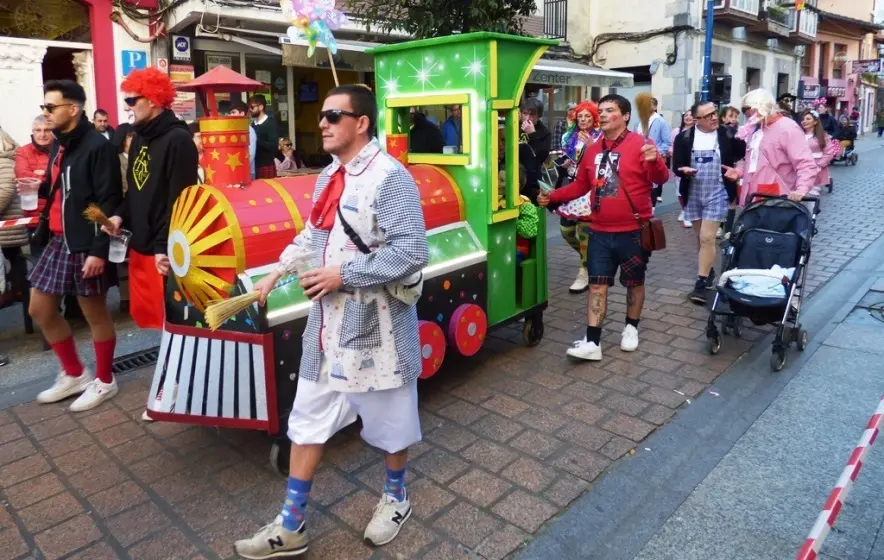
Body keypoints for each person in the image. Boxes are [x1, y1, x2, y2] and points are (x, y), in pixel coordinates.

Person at [234, 84, 428, 557]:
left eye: (333, 115)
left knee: (392, 419)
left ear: (361, 123)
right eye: (321, 115)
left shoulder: (391, 177)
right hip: (326, 328)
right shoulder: (328, 177)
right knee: (307, 420)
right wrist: (275, 273)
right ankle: (292, 523)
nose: (321, 122)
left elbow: (411, 251)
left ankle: (397, 497)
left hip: (378, 325)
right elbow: (313, 233)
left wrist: (345, 273)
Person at [538, 94, 669, 360]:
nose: (604, 114)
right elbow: (581, 186)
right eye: (602, 110)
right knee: (597, 285)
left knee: (634, 282)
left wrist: (655, 160)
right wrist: (553, 195)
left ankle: (631, 328)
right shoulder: (593, 148)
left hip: (633, 230)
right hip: (598, 230)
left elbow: (660, 178)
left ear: (625, 116)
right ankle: (593, 342)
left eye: (610, 110)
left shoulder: (642, 144)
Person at [28, 79, 122, 412]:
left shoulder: (99, 146)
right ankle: (74, 373)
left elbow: (110, 199)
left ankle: (106, 381)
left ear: (73, 109)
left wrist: (98, 250)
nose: (46, 114)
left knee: (94, 314)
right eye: (44, 107)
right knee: (39, 308)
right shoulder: (59, 143)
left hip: (85, 243)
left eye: (50, 107)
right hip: (57, 239)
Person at [106, 68, 199, 334]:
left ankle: (176, 374)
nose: (128, 108)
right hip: (140, 245)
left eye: (132, 100)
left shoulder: (179, 140)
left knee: (173, 323)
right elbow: (135, 190)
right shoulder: (138, 139)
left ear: (154, 100)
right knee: (152, 321)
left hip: (163, 248)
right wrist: (119, 215)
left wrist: (164, 246)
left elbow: (179, 200)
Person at [672, 101, 745, 305]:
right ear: (697, 120)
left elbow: (744, 155)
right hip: (694, 191)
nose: (714, 117)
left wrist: (737, 172)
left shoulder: (728, 134)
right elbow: (676, 165)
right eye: (708, 116)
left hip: (718, 190)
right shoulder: (684, 137)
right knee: (700, 238)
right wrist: (682, 170)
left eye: (715, 113)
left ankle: (701, 284)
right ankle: (709, 271)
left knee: (707, 238)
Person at [727, 89, 818, 205]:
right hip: (752, 198)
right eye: (747, 115)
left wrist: (801, 189)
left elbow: (805, 163)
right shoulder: (755, 129)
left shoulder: (788, 128)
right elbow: (753, 160)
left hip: (777, 199)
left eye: (751, 113)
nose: (750, 118)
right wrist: (738, 171)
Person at [557, 101, 600, 294]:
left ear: (594, 118)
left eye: (587, 116)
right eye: (580, 116)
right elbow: (568, 159)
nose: (583, 120)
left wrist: (593, 147)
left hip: (589, 189)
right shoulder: (569, 136)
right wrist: (565, 163)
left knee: (584, 232)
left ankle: (583, 271)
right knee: (565, 230)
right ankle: (589, 258)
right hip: (571, 186)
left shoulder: (600, 137)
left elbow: (604, 160)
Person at [637, 97, 671, 209]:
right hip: (638, 157)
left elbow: (666, 141)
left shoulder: (660, 121)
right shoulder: (639, 121)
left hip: (653, 157)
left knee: (653, 183)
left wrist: (658, 153)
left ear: (655, 107)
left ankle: (651, 208)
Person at [799, 110, 839, 195]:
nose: (804, 121)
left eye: (808, 119)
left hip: (816, 168)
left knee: (812, 193)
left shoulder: (822, 136)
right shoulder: (798, 135)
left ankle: (813, 207)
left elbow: (829, 152)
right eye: (803, 119)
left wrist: (819, 165)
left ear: (815, 121)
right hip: (801, 168)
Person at [670, 110, 695, 229]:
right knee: (679, 190)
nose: (688, 117)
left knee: (689, 189)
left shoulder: (698, 132)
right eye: (686, 115)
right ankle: (684, 209)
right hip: (679, 164)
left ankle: (688, 212)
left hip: (691, 165)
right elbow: (671, 144)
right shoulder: (677, 132)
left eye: (691, 115)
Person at [250, 95, 279, 179]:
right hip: (255, 165)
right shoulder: (253, 124)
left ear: (261, 107)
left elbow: (274, 146)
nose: (250, 110)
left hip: (266, 165)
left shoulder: (270, 123)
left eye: (252, 107)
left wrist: (255, 140)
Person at [519, 97, 552, 168]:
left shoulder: (545, 133)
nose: (527, 118)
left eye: (532, 114)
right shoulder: (515, 126)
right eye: (525, 113)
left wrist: (532, 134)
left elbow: (541, 157)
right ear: (521, 113)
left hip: (531, 173)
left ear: (538, 116)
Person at [229, 101, 257, 179]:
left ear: (242, 114)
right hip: (235, 171)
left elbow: (250, 154)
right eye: (231, 112)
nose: (231, 115)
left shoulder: (249, 130)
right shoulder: (234, 130)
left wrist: (239, 168)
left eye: (233, 112)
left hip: (247, 172)